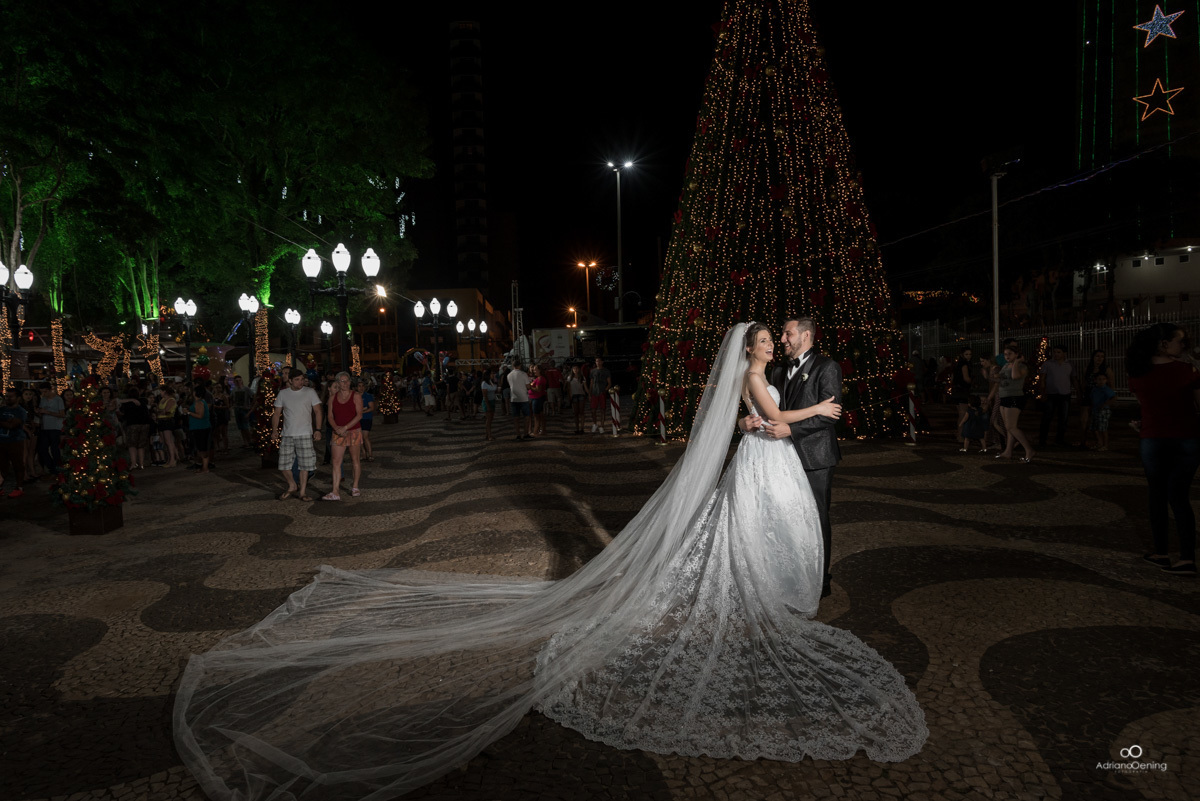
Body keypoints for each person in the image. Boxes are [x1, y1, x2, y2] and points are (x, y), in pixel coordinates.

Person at [174, 323, 928, 800]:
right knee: (742, 535)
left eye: (773, 339)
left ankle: (764, 581)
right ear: (753, 349)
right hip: (763, 456)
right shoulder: (757, 375)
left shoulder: (756, 373)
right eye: (764, 340)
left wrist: (770, 422)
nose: (769, 344)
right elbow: (763, 415)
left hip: (761, 460)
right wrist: (802, 416)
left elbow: (751, 416)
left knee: (744, 532)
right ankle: (758, 588)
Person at [744, 316, 843, 598]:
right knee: (788, 519)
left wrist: (791, 429)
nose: (782, 340)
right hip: (781, 458)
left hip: (815, 457)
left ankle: (820, 580)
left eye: (787, 334)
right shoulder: (776, 372)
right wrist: (744, 422)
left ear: (806, 335)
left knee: (816, 518)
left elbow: (830, 416)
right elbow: (766, 409)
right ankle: (793, 574)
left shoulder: (827, 367)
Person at [1128, 323, 1200, 576]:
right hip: (1187, 439)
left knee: (1156, 495)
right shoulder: (1188, 370)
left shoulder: (1137, 374)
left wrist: (1143, 425)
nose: (1184, 345)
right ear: (1163, 344)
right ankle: (1187, 558)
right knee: (1179, 497)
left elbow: (1148, 407)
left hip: (1153, 439)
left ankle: (1161, 553)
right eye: (1180, 341)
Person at [270, 368, 323, 502]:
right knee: (283, 465)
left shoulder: (310, 392)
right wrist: (275, 430)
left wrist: (318, 429)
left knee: (305, 465)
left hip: (305, 433)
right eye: (297, 380)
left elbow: (318, 411)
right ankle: (292, 485)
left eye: (302, 379)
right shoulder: (283, 394)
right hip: (287, 434)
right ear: (290, 381)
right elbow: (276, 413)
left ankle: (303, 492)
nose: (301, 382)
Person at [325, 371, 363, 500]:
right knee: (336, 461)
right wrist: (336, 428)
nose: (345, 383)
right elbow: (330, 416)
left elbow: (359, 415)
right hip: (338, 432)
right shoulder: (332, 398)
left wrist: (345, 427)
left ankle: (355, 486)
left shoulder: (356, 396)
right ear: (337, 383)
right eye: (342, 381)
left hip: (353, 431)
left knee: (355, 460)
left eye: (347, 380)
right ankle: (335, 491)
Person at [995, 345, 1035, 462]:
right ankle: (1008, 451)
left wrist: (1017, 362)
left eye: (1010, 354)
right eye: (1005, 354)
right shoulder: (1006, 365)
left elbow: (1015, 376)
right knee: (1009, 428)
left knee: (1011, 426)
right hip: (1004, 396)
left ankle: (1029, 450)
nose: (1007, 356)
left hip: (1014, 397)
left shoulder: (1022, 366)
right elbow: (1002, 378)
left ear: (1017, 354)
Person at [1037, 345, 1073, 447]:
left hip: (1065, 394)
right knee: (1047, 417)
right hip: (1051, 394)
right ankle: (1042, 439)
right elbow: (1042, 379)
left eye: (1058, 352)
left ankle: (1060, 439)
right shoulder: (1048, 364)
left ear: (1064, 353)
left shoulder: (1069, 364)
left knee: (1063, 418)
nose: (1056, 354)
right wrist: (1043, 392)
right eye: (1055, 352)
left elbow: (1073, 378)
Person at [1077, 349, 1114, 448]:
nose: (1099, 358)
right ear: (1093, 357)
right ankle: (1083, 442)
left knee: (1097, 422)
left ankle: (1100, 442)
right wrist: (1080, 394)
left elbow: (1111, 385)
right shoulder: (1088, 368)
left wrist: (1108, 399)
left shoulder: (1106, 369)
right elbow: (1084, 382)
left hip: (1100, 397)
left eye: (1102, 356)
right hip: (1089, 394)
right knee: (1083, 420)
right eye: (1097, 356)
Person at [0, 388, 29, 498]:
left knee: (18, 464)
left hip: (15, 441)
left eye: (11, 396)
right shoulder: (2, 409)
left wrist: (3, 423)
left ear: (17, 398)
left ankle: (19, 487)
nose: (8, 398)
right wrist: (5, 423)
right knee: (2, 465)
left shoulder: (20, 411)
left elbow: (12, 425)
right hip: (2, 440)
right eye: (6, 396)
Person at [119, 387, 152, 469]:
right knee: (141, 445)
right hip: (144, 424)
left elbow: (119, 403)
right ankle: (141, 463)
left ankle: (134, 463)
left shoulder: (127, 404)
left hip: (132, 424)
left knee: (132, 445)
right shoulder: (143, 401)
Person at [36, 383, 66, 474]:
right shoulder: (43, 399)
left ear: (50, 390)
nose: (44, 394)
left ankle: (57, 467)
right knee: (42, 449)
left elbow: (62, 414)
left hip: (55, 427)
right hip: (45, 427)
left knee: (54, 449)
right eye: (42, 392)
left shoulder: (58, 399)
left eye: (45, 391)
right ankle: (51, 466)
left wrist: (48, 412)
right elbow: (41, 411)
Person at [188, 386, 214, 473]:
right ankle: (204, 466)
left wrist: (189, 412)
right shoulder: (201, 402)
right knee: (201, 447)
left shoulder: (199, 403)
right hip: (200, 427)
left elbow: (200, 415)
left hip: (201, 428)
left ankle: (205, 468)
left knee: (202, 448)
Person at [950, 346, 972, 446]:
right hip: (962, 390)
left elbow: (952, 378)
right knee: (963, 414)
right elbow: (966, 378)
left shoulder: (957, 364)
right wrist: (973, 381)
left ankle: (959, 434)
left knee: (961, 414)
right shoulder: (964, 365)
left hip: (956, 390)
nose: (969, 356)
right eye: (967, 354)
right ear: (962, 355)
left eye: (970, 354)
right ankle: (960, 435)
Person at [1088, 373, 1115, 451]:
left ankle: (1105, 445)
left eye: (1103, 379)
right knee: (1094, 428)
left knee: (1103, 429)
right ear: (1095, 380)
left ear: (1106, 380)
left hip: (1103, 411)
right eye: (1099, 379)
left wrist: (1104, 405)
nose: (1101, 381)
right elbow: (1092, 399)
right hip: (1095, 410)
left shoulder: (1106, 389)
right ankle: (1099, 443)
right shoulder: (1094, 389)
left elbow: (1113, 398)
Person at [155, 386, 180, 467]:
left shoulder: (171, 400)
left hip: (167, 421)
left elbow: (167, 411)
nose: (160, 393)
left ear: (165, 391)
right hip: (161, 421)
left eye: (161, 391)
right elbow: (160, 410)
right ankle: (170, 459)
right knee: (166, 442)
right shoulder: (162, 400)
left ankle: (172, 460)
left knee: (169, 441)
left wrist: (159, 411)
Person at [507, 359, 532, 440]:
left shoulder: (509, 375)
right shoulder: (523, 374)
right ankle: (525, 433)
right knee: (526, 417)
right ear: (520, 365)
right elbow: (528, 386)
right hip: (523, 398)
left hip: (514, 398)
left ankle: (518, 434)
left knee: (516, 418)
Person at [587, 356, 611, 433]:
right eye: (596, 361)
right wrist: (589, 393)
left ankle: (602, 426)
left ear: (602, 362)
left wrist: (605, 390)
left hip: (602, 392)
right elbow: (591, 383)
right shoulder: (592, 371)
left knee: (602, 410)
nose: (597, 363)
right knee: (593, 410)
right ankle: (595, 424)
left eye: (599, 361)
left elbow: (609, 383)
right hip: (594, 392)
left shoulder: (606, 371)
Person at [357, 379, 375, 461]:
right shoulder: (355, 396)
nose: (361, 388)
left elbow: (371, 408)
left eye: (362, 386)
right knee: (359, 437)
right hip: (358, 419)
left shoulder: (368, 396)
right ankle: (363, 453)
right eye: (359, 386)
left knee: (365, 437)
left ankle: (370, 454)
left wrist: (362, 411)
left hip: (366, 418)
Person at [528, 364, 547, 437]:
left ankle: (535, 431)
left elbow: (538, 389)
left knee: (536, 415)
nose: (534, 371)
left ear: (539, 370)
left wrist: (530, 387)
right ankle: (542, 430)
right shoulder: (538, 378)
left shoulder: (540, 379)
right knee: (540, 415)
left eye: (535, 369)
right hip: (536, 398)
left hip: (537, 398)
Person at [568, 363, 587, 434]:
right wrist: (570, 397)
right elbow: (569, 388)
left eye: (576, 368)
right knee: (575, 413)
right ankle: (577, 428)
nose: (575, 370)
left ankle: (582, 428)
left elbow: (585, 387)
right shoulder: (570, 378)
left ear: (578, 369)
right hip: (574, 395)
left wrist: (588, 394)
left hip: (581, 395)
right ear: (572, 370)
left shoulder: (582, 377)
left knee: (581, 412)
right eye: (574, 369)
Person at [480, 369, 497, 441]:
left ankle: (487, 434)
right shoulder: (484, 383)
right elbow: (485, 395)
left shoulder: (491, 382)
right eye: (492, 374)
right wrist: (488, 405)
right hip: (487, 401)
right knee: (489, 419)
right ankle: (489, 435)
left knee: (491, 418)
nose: (493, 375)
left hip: (492, 400)